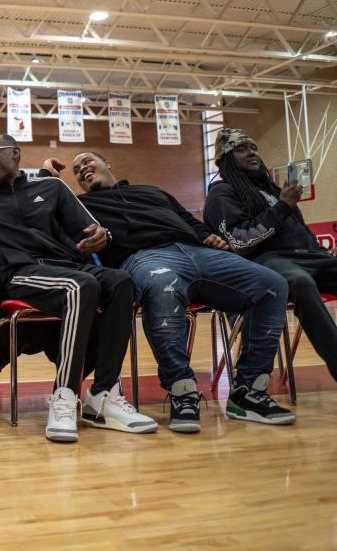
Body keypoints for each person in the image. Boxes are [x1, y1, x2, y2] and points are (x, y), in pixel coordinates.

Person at [42, 151, 294, 431]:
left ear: (107, 163)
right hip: (144, 258)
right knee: (163, 286)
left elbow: (188, 219)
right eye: (76, 170)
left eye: (88, 161)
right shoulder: (81, 205)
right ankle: (182, 391)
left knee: (272, 284)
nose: (82, 169)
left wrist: (207, 237)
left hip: (200, 253)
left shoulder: (152, 192)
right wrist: (48, 178)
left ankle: (248, 392)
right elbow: (45, 215)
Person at [0, 134, 156, 443]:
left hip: (64, 266)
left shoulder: (53, 188)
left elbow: (91, 230)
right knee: (81, 286)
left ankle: (102, 395)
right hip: (17, 274)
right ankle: (63, 398)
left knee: (120, 282)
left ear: (16, 153)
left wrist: (102, 236)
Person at [205, 128, 337, 382]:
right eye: (241, 149)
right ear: (225, 160)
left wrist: (321, 252)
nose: (252, 152)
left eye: (253, 147)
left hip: (310, 257)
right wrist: (283, 206)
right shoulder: (221, 194)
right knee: (300, 282)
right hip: (267, 263)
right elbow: (239, 240)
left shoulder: (271, 190)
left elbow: (297, 231)